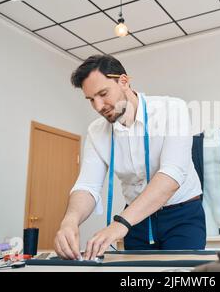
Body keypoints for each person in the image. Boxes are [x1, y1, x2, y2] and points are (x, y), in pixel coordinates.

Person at [54, 54, 206, 260]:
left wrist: (120, 224)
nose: (99, 106)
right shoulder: (96, 131)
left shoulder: (172, 109)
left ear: (124, 81)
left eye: (103, 93)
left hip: (181, 215)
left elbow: (172, 175)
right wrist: (69, 221)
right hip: (135, 220)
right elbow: (87, 186)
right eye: (91, 99)